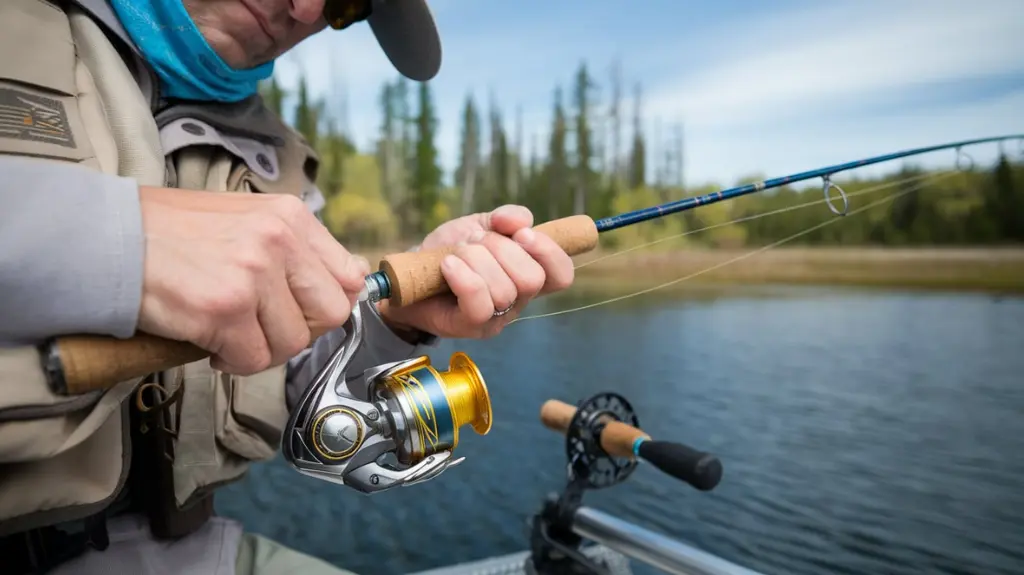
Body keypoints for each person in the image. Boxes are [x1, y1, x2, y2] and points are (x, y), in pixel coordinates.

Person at [0, 0, 576, 573]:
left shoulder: (280, 163)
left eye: (344, 4)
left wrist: (400, 318)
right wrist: (121, 241)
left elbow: (302, 384)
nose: (304, 10)